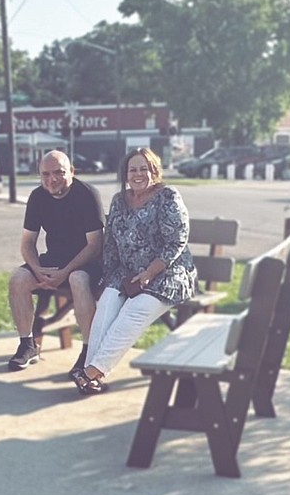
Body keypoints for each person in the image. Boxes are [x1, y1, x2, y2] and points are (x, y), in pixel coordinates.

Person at [72, 147, 198, 396]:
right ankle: (92, 374)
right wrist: (107, 280)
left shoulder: (168, 196)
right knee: (106, 306)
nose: (138, 174)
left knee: (133, 311)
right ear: (125, 174)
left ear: (155, 171)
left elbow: (176, 242)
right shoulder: (120, 200)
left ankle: (91, 372)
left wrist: (150, 273)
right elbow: (110, 244)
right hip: (127, 272)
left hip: (167, 273)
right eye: (133, 169)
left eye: (144, 168)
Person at [6, 150, 104, 375]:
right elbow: (27, 243)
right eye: (45, 174)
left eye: (59, 173)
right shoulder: (37, 197)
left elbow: (94, 245)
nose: (52, 179)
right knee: (18, 279)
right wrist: (37, 269)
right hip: (53, 260)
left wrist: (65, 272)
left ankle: (89, 351)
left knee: (77, 279)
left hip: (87, 263)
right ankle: (27, 344)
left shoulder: (87, 194)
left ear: (71, 171)